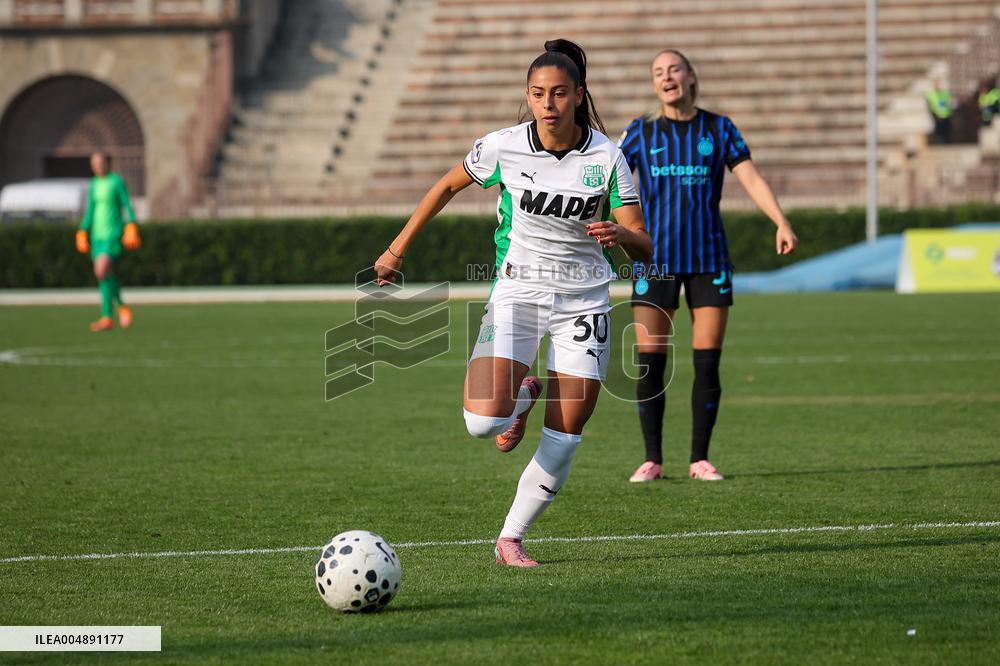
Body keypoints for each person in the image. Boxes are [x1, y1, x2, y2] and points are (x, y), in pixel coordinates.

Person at [374, 39, 652, 567]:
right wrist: (395, 250)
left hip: (584, 302)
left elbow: (644, 242)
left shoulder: (608, 157)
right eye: (538, 93)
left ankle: (510, 538)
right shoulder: (503, 145)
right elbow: (446, 186)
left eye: (559, 93)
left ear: (578, 96)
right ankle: (521, 399)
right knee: (481, 423)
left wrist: (620, 231)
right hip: (518, 293)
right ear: (528, 96)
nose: (548, 103)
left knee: (566, 434)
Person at [617, 49, 798, 483]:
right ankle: (652, 459)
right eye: (658, 72)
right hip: (654, 261)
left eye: (674, 69)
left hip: (708, 259)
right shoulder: (640, 132)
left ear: (691, 77)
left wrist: (780, 220)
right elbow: (611, 178)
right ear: (653, 83)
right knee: (650, 363)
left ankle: (699, 459)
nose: (667, 77)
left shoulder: (719, 128)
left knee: (706, 363)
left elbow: (750, 177)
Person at [75, 152, 141, 331]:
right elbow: (90, 210)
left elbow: (127, 204)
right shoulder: (94, 184)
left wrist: (131, 225)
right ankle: (109, 316)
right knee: (104, 276)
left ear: (107, 163)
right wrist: (82, 230)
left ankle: (118, 308)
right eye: (94, 163)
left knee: (101, 270)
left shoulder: (116, 181)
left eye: (100, 162)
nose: (97, 166)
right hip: (97, 237)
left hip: (113, 235)